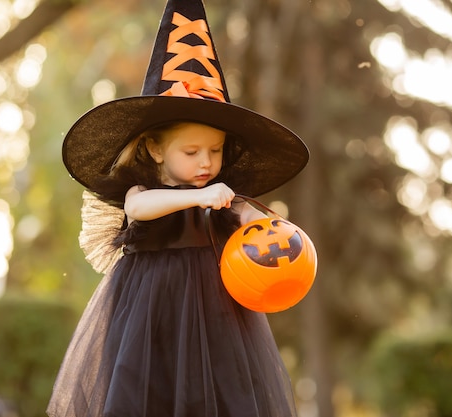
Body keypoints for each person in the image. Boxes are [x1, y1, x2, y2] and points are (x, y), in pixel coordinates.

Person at [48, 0, 310, 416]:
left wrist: (268, 225)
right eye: (191, 151)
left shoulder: (224, 196)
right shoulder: (144, 191)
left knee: (223, 393)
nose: (205, 162)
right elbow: (140, 209)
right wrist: (198, 198)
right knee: (144, 392)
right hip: (148, 308)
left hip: (217, 314)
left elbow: (254, 222)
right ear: (154, 148)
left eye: (216, 150)